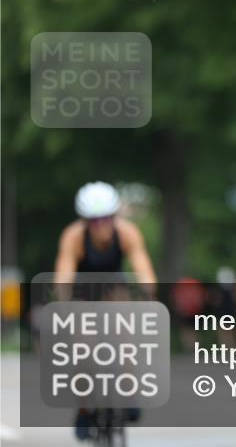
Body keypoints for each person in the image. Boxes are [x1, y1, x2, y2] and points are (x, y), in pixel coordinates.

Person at [53, 181, 157, 441]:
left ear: (114, 216)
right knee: (82, 346)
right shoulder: (73, 236)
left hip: (113, 287)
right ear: (85, 221)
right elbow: (64, 275)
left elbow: (143, 267)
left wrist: (148, 290)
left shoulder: (128, 233)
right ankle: (85, 408)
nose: (101, 225)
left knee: (126, 332)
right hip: (82, 292)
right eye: (94, 220)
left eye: (107, 218)